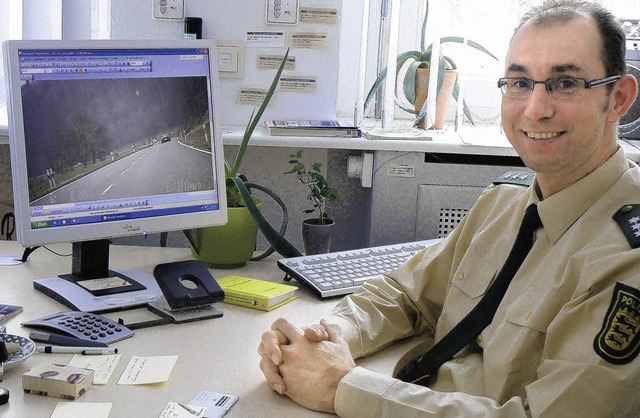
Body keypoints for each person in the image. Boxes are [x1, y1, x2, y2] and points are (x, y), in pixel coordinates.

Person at [258, 1, 640, 416]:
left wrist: (342, 387)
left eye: (565, 83)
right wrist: (323, 339)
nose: (535, 108)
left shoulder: (626, 258)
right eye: (520, 83)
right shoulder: (504, 201)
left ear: (618, 97)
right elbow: (406, 292)